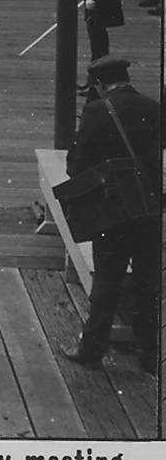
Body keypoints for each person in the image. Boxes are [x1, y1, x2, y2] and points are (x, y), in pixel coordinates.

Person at [61, 55, 161, 374]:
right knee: (148, 281)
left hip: (114, 209)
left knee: (107, 280)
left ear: (100, 84)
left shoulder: (96, 111)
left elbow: (76, 165)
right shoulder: (153, 107)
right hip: (150, 207)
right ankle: (150, 351)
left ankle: (92, 348)